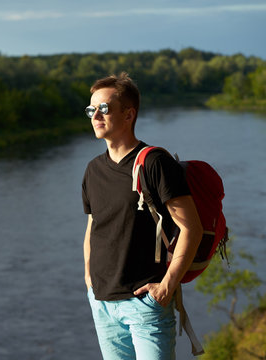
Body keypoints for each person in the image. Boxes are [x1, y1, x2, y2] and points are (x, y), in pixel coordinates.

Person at [81, 72, 203, 360]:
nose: (96, 115)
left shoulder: (154, 163)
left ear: (129, 114)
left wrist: (168, 285)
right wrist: (89, 278)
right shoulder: (92, 170)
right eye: (91, 109)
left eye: (105, 108)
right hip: (102, 303)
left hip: (145, 304)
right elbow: (93, 227)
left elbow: (191, 228)